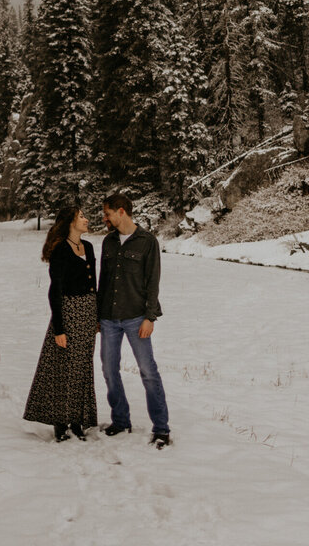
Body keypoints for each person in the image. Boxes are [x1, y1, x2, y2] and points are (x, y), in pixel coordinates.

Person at [97, 191, 171, 447]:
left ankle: (161, 428)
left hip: (136, 318)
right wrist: (98, 315)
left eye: (107, 213)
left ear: (121, 211)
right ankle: (120, 420)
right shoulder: (108, 242)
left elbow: (153, 282)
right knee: (108, 370)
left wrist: (150, 317)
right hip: (108, 319)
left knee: (148, 371)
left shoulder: (147, 241)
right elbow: (103, 281)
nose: (104, 218)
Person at [23, 205, 98, 441]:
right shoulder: (60, 250)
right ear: (70, 222)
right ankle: (59, 422)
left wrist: (96, 317)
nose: (86, 219)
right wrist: (59, 328)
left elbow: (93, 283)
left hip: (88, 312)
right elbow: (55, 291)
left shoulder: (88, 247)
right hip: (69, 311)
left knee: (82, 367)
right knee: (63, 367)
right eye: (81, 216)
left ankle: (77, 420)